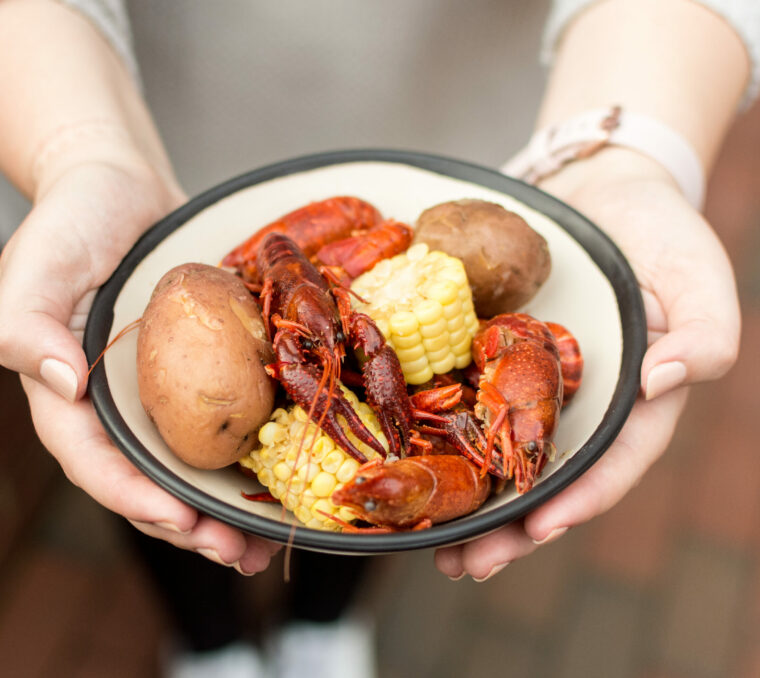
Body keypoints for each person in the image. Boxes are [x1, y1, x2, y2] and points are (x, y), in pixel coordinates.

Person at [0, 0, 753, 675]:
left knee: (376, 502)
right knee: (160, 488)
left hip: (479, 144)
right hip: (140, 126)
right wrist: (81, 150)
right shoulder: (292, 300)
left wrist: (628, 156)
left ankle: (320, 624)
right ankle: (207, 641)